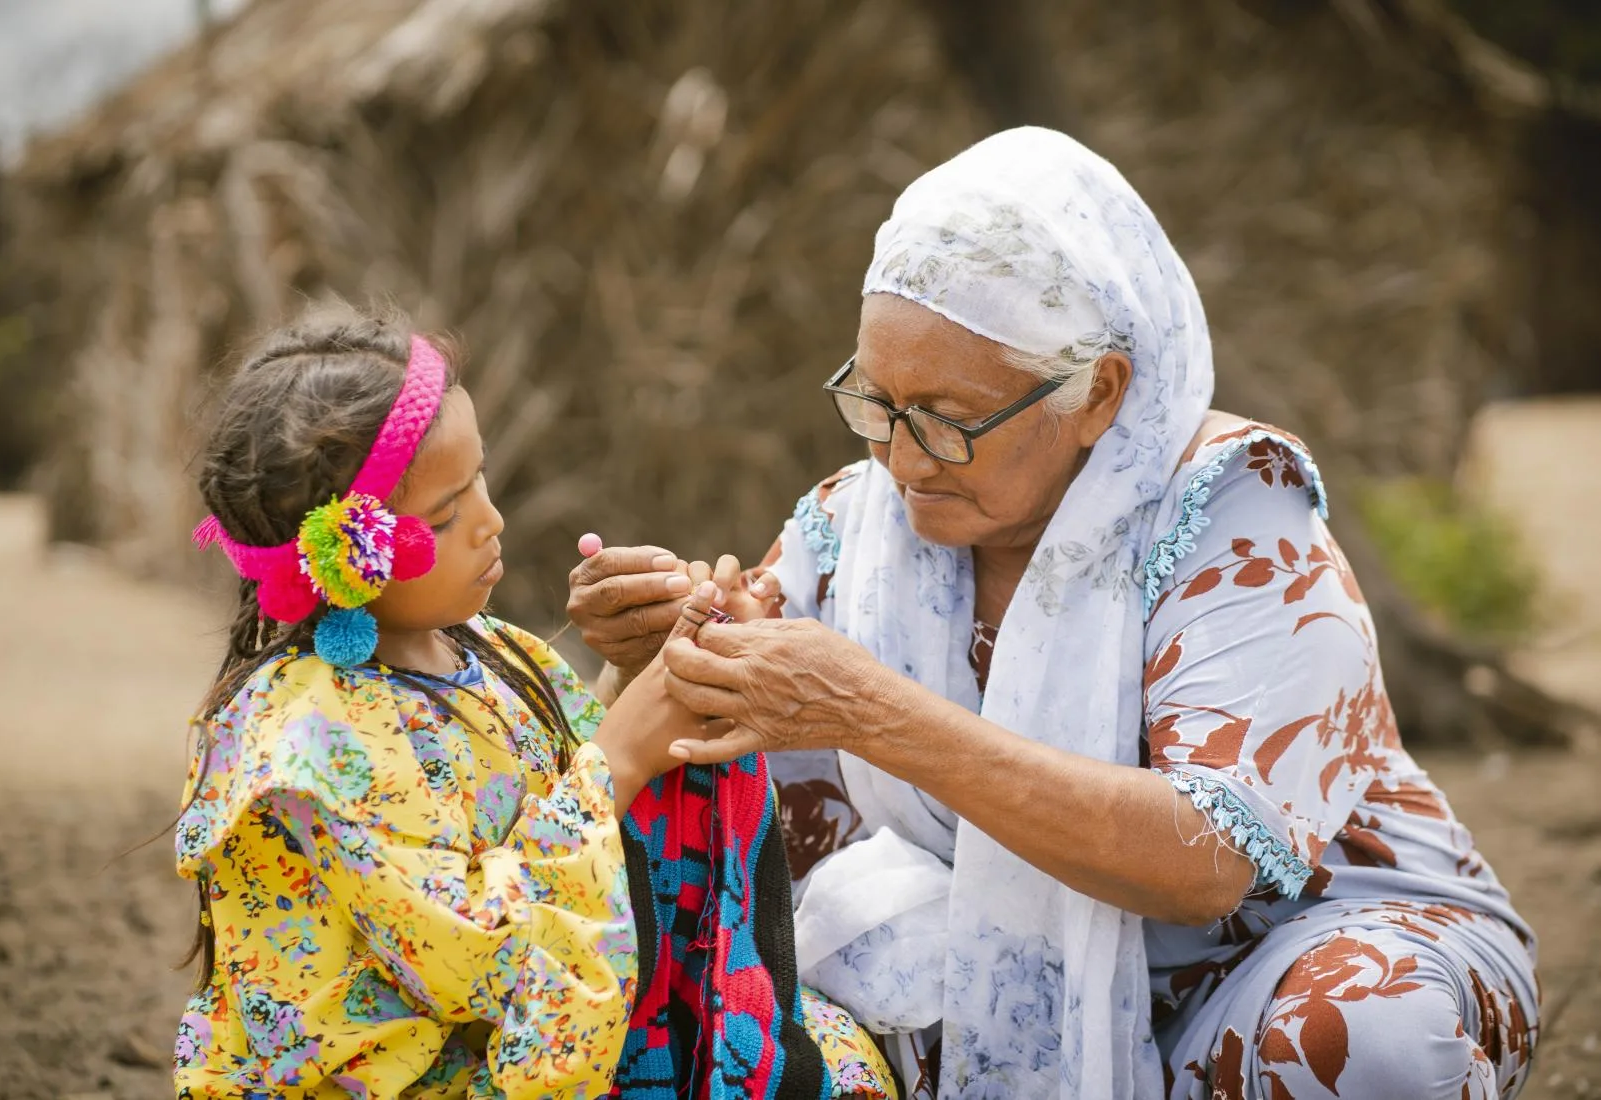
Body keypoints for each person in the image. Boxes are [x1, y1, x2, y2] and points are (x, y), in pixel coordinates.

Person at [567, 129, 1538, 1099]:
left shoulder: (1233, 517)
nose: (903, 460)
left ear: (1096, 393)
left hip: (1266, 960)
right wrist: (664, 650)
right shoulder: (852, 526)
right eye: (877, 403)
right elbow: (696, 769)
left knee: (1363, 1043)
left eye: (947, 418)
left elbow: (1204, 867)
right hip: (973, 982)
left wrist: (873, 713)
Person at [173, 305, 894, 1098]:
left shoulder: (487, 648)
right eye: (447, 514)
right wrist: (624, 752)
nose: (492, 521)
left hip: (536, 1026)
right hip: (436, 1072)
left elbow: (560, 778)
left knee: (837, 1050)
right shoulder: (308, 743)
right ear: (349, 554)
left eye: (478, 478)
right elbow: (477, 951)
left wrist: (663, 666)